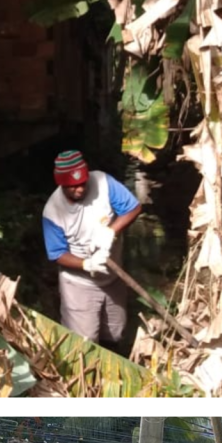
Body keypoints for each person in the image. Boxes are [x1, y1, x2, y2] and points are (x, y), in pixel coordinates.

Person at [42, 148, 143, 346]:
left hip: (113, 277)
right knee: (83, 343)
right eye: (72, 186)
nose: (80, 189)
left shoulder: (103, 183)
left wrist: (111, 231)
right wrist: (87, 264)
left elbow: (133, 208)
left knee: (115, 333)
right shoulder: (53, 212)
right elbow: (57, 254)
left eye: (82, 183)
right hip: (79, 285)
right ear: (61, 184)